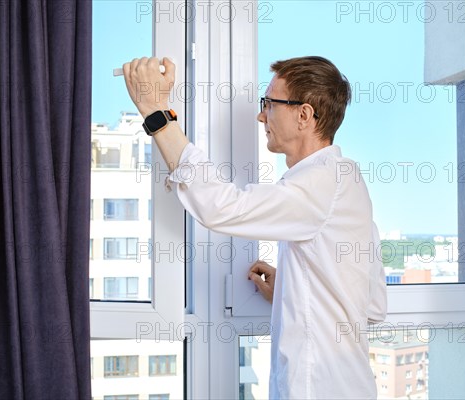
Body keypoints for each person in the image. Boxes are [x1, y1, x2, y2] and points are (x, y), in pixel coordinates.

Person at [122, 55, 387, 399]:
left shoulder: (321, 182)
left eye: (270, 104)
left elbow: (220, 207)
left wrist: (155, 112)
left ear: (304, 115)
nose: (262, 115)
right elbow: (373, 305)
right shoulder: (346, 179)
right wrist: (294, 288)